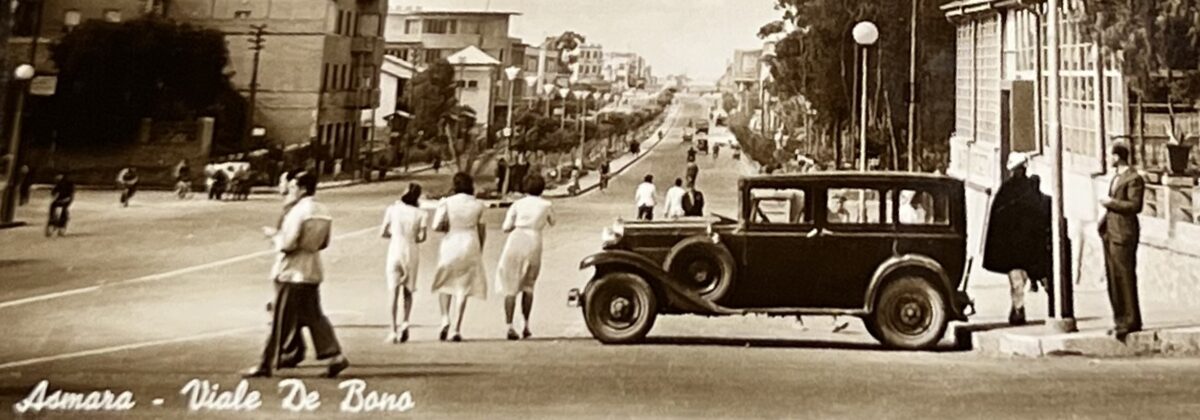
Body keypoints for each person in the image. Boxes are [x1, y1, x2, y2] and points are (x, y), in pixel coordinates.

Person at [245, 171, 350, 378]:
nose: (291, 190)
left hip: (291, 271)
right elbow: (324, 243)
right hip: (312, 269)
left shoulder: (297, 212)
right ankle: (335, 356)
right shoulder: (322, 210)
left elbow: (287, 244)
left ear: (302, 189)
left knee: (280, 320)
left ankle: (265, 363)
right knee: (315, 317)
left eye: (293, 187)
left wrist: (274, 236)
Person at [982, 152, 1051, 326]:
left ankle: (1021, 311)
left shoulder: (1009, 190)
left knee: (1023, 281)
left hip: (1019, 247)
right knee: (1022, 281)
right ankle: (1019, 310)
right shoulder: (1019, 190)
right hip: (1025, 246)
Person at [496, 174, 555, 340]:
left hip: (516, 239)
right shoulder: (546, 205)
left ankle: (509, 325)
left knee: (510, 286)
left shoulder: (517, 204)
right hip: (535, 241)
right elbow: (553, 221)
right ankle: (526, 324)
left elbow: (506, 227)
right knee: (529, 286)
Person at [431, 172, 488, 342]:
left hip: (451, 242)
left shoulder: (446, 203)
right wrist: (480, 249)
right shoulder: (478, 205)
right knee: (463, 287)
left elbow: (436, 226)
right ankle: (456, 328)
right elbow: (482, 229)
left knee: (444, 283)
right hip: (470, 242)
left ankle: (444, 319)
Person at [1098, 142, 1145, 341]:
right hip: (1111, 232)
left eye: (1111, 155)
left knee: (1125, 276)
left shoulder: (1134, 179)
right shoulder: (1116, 178)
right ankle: (1119, 319)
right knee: (1113, 278)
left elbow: (1135, 205)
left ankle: (1131, 319)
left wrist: (1111, 203)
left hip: (1124, 233)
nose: (1109, 159)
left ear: (1117, 157)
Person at [380, 183, 428, 344]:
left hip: (395, 249)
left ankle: (393, 330)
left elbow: (383, 232)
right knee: (408, 291)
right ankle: (405, 321)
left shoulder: (392, 210)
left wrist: (394, 235)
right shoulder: (421, 213)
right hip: (411, 251)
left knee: (393, 291)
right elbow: (421, 237)